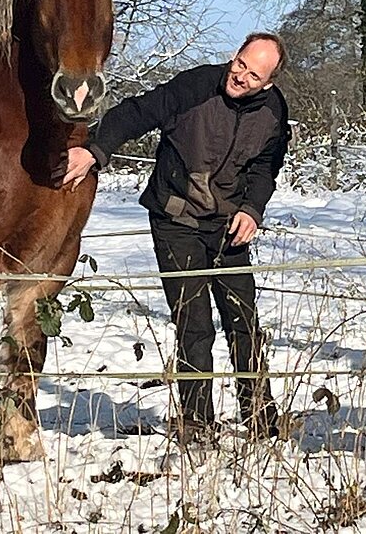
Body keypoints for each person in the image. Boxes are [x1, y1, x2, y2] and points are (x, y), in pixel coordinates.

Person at [64, 32, 291, 445]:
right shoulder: (195, 87)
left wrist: (252, 209)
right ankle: (197, 425)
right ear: (234, 55)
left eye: (253, 74)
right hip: (176, 219)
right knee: (195, 323)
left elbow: (265, 168)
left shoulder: (274, 113)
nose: (240, 76)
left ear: (269, 82)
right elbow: (135, 113)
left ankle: (260, 417)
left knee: (244, 321)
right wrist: (95, 151)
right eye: (239, 63)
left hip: (229, 228)